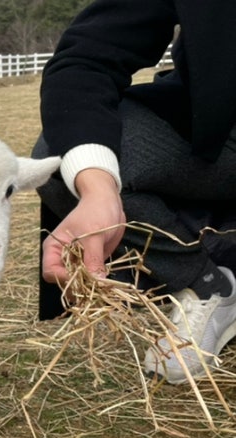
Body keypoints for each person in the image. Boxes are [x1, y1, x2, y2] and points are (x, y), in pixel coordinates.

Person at [32, 0, 236, 384]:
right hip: (221, 136)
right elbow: (88, 57)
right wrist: (97, 186)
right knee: (61, 159)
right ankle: (208, 284)